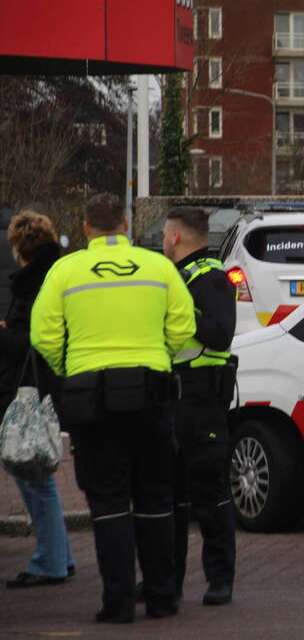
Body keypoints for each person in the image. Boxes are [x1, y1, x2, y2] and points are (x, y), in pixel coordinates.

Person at [30, 193, 195, 624]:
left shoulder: (65, 270)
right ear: (124, 224)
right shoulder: (160, 268)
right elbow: (185, 326)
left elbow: (43, 334)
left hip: (92, 399)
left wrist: (72, 368)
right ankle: (162, 598)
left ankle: (118, 604)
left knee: (108, 502)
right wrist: (156, 356)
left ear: (86, 228)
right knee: (156, 496)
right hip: (152, 393)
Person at [159, 206, 237, 606]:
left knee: (210, 493)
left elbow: (221, 335)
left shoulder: (211, 278)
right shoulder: (174, 279)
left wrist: (181, 314)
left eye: (164, 234)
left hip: (202, 398)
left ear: (175, 237)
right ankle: (166, 581)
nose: (161, 241)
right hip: (170, 398)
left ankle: (219, 579)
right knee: (169, 497)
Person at [1, 211, 76, 589]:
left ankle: (51, 559)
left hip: (29, 389)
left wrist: (4, 334)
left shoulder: (31, 283)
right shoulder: (57, 274)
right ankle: (60, 553)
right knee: (36, 472)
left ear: (19, 247)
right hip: (49, 386)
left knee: (34, 474)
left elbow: (30, 340)